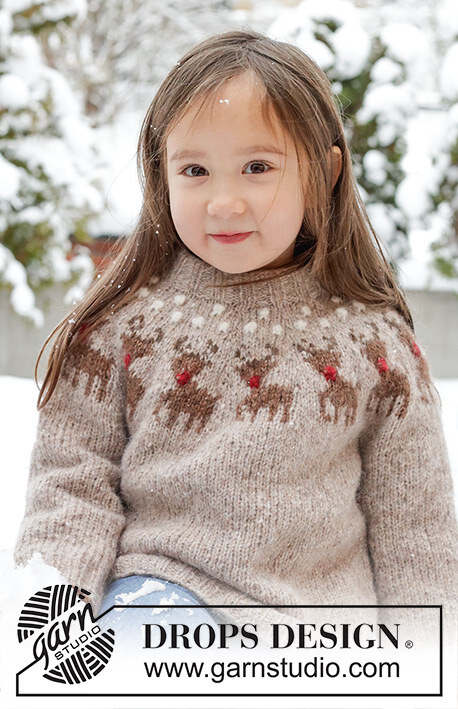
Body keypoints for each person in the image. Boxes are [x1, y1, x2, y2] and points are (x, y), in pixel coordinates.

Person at [14, 30, 457, 652]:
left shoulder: (374, 344)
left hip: (325, 641)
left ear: (325, 172)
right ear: (160, 174)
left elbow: (415, 526)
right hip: (161, 603)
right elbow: (72, 489)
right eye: (195, 171)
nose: (224, 202)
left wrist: (428, 660)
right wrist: (47, 627)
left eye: (257, 168)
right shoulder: (120, 328)